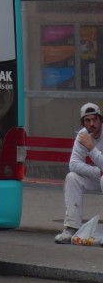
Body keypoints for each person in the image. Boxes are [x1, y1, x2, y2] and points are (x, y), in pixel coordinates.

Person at [54, 102, 103, 243]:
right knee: (72, 178)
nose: (92, 124)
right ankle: (72, 227)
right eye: (88, 121)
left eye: (95, 119)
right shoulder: (82, 135)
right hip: (98, 176)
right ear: (83, 122)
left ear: (100, 119)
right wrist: (96, 171)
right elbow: (73, 164)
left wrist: (92, 148)